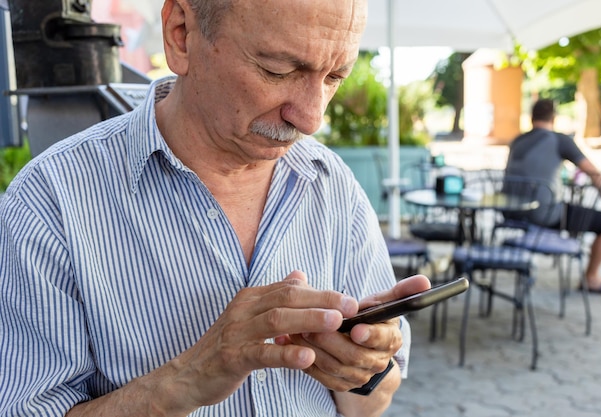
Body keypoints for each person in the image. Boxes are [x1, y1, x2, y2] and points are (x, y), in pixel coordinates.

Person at [0, 0, 432, 416]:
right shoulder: (49, 204)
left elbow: (372, 403)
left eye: (336, 75)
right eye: (278, 70)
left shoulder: (332, 184)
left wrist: (364, 370)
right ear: (181, 34)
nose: (311, 117)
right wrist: (188, 378)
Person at [504, 98, 601, 295]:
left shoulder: (517, 141)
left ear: (531, 118)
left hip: (511, 213)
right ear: (554, 118)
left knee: (568, 207)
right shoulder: (559, 140)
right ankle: (592, 278)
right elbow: (596, 176)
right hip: (544, 215)